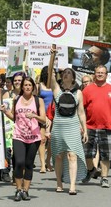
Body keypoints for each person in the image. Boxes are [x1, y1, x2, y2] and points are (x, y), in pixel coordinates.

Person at [0, 76, 46, 201]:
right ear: (22, 87)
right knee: (19, 163)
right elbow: (14, 117)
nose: (27, 87)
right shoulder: (17, 99)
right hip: (19, 135)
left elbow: (44, 119)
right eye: (25, 85)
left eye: (29, 85)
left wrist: (34, 116)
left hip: (33, 137)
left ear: (33, 87)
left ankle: (25, 191)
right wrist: (5, 111)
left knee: (29, 164)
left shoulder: (38, 101)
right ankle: (18, 189)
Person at [49, 65, 88, 195]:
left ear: (73, 78)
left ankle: (72, 186)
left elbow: (81, 113)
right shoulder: (56, 90)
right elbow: (50, 73)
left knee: (72, 155)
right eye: (64, 73)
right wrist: (52, 56)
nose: (65, 74)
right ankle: (59, 184)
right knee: (59, 156)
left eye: (68, 73)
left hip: (72, 126)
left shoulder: (78, 93)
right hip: (58, 127)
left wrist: (85, 130)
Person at [82, 65, 111, 188]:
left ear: (106, 74)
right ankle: (91, 170)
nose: (100, 74)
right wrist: (80, 124)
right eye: (98, 72)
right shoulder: (88, 90)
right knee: (86, 153)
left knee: (106, 154)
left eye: (102, 73)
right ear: (94, 74)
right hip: (90, 126)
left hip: (107, 126)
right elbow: (80, 109)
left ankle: (104, 178)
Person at [37, 66, 53, 173]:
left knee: (52, 140)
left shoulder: (56, 86)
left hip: (53, 115)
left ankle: (48, 161)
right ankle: (42, 164)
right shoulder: (39, 86)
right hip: (42, 115)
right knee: (42, 140)